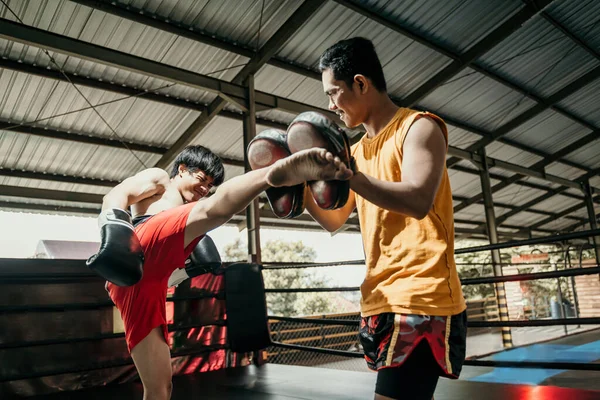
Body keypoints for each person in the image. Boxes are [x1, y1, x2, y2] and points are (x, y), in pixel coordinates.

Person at [86, 144, 353, 400]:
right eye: (201, 178)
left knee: (159, 388)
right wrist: (115, 237)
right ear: (181, 170)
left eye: (210, 184)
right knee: (212, 210)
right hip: (143, 240)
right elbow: (114, 196)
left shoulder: (186, 222)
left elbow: (169, 268)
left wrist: (177, 273)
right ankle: (274, 173)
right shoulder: (160, 181)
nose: (205, 187)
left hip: (145, 284)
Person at [296, 37, 468, 400]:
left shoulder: (419, 127)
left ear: (361, 83)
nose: (330, 105)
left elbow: (419, 199)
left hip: (422, 296)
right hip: (381, 297)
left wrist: (346, 174)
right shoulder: (356, 152)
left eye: (334, 93)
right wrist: (298, 186)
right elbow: (333, 219)